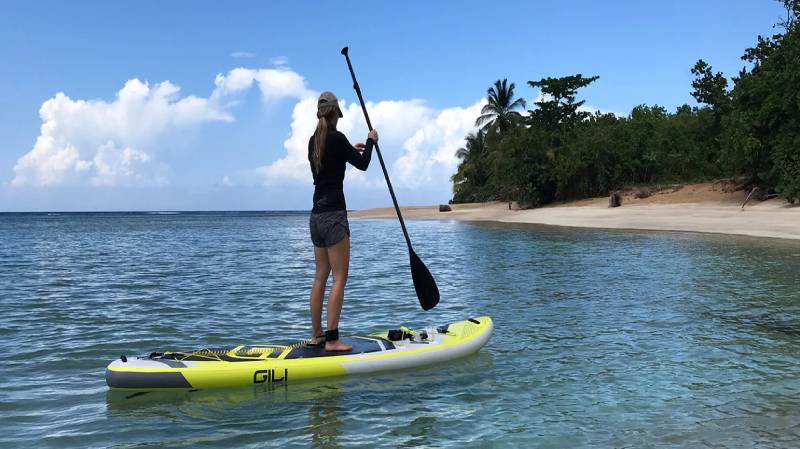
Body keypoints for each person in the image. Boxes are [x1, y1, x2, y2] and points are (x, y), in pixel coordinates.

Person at [307, 91, 378, 352]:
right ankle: (333, 339)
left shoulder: (314, 141)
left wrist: (351, 148)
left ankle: (317, 336)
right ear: (336, 112)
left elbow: (335, 158)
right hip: (334, 216)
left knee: (320, 277)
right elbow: (363, 164)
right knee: (339, 278)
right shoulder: (336, 138)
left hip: (315, 215)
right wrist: (370, 141)